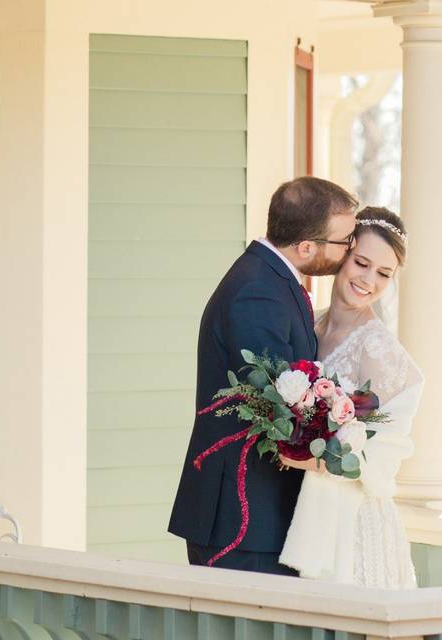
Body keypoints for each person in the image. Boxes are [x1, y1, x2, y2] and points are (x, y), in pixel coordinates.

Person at [168, 177, 358, 575]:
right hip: (242, 517)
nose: (350, 249)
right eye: (345, 241)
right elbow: (277, 405)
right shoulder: (257, 291)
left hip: (265, 514)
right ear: (307, 247)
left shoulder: (271, 279)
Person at [279, 207, 421, 588]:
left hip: (350, 522)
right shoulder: (310, 322)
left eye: (384, 274)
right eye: (362, 262)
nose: (369, 280)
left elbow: (385, 449)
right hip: (298, 509)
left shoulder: (377, 347)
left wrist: (312, 458)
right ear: (344, 255)